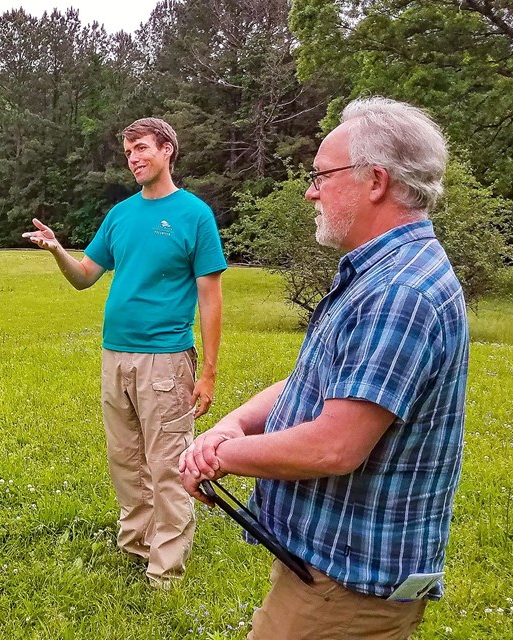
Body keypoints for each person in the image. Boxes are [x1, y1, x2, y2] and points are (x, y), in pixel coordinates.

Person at [180, 97, 469, 639]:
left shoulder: (398, 292)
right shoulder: (378, 273)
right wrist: (232, 426)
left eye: (321, 175)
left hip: (348, 588)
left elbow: (333, 447)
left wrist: (218, 456)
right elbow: (318, 381)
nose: (310, 191)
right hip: (330, 572)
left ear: (376, 181)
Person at [24, 117, 227, 589]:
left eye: (141, 149)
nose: (134, 159)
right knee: (126, 459)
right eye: (128, 152)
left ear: (167, 150)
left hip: (166, 359)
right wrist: (56, 248)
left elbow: (210, 298)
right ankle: (137, 544)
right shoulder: (119, 215)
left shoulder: (194, 214)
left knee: (167, 462)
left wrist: (210, 372)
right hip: (115, 356)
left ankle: (166, 568)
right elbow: (84, 277)